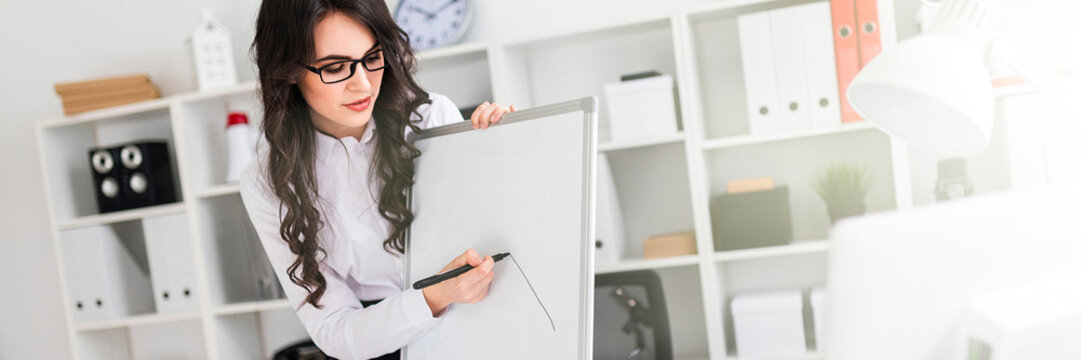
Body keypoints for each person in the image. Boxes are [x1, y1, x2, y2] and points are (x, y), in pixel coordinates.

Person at [240, 0, 516, 359]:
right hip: (375, 340)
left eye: (373, 57)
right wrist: (434, 297)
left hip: (477, 320)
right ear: (289, 70)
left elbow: (490, 229)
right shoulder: (268, 180)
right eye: (335, 67)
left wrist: (505, 157)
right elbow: (334, 328)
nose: (363, 85)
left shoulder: (429, 118)